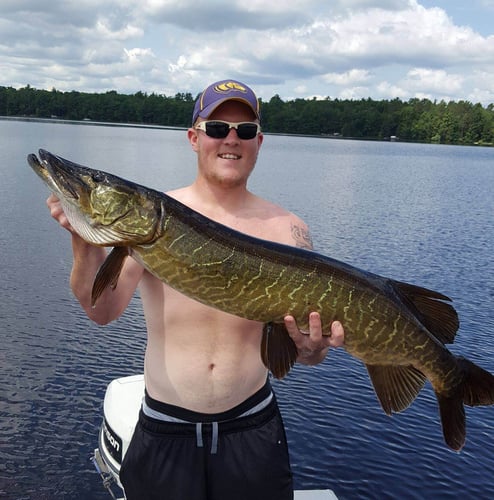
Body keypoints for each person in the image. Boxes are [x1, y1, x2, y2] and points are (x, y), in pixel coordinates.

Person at [47, 79, 344, 500]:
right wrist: (83, 238)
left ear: (259, 141)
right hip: (165, 431)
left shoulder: (290, 230)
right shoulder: (151, 216)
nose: (231, 140)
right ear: (194, 137)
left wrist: (313, 350)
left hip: (252, 430)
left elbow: (303, 349)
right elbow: (102, 310)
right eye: (218, 128)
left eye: (244, 131)